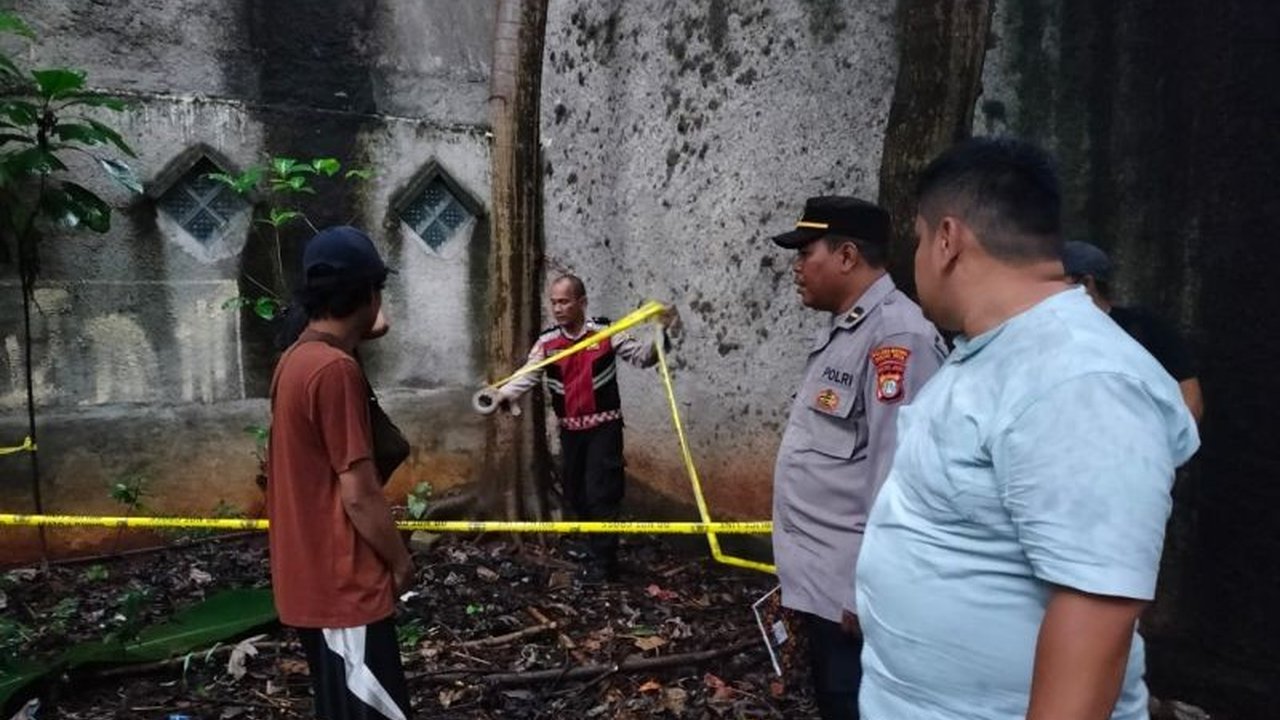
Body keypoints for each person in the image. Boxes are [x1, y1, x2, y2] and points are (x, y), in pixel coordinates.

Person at [856, 138, 1200, 720]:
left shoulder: (1077, 377)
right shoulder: (997, 353)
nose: (913, 259)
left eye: (916, 239)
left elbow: (1099, 607)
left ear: (946, 239)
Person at [769, 196, 946, 720]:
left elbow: (900, 477)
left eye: (806, 252)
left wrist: (867, 589)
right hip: (824, 584)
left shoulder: (898, 338)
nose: (797, 267)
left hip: (854, 592)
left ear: (847, 256)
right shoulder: (849, 328)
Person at [267, 225, 414, 720]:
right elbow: (359, 493)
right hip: (344, 587)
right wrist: (398, 562)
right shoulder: (335, 372)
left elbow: (372, 325)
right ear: (369, 294)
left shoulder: (297, 358)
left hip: (315, 582)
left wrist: (363, 298)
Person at [485, 275, 677, 583]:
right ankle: (595, 547)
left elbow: (643, 358)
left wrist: (662, 331)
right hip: (570, 432)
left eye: (564, 302)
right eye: (554, 302)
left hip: (604, 429)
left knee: (602, 493)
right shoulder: (548, 343)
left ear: (581, 303)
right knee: (575, 493)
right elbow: (527, 375)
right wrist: (502, 393)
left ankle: (605, 564)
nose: (558, 309)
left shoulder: (606, 333)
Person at [1062, 240, 1205, 422]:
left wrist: (1170, 446)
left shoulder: (1146, 327)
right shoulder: (1053, 333)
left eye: (1058, 281)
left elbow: (1189, 394)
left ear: (1086, 283)